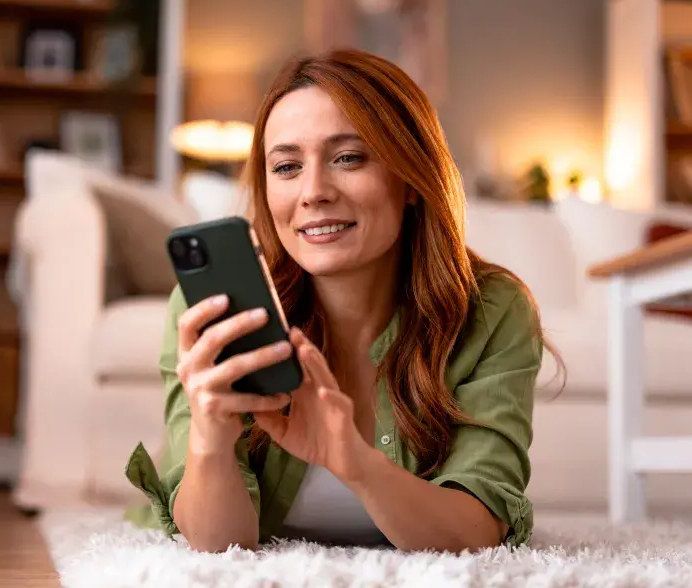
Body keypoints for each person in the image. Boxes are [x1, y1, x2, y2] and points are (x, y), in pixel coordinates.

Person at [124, 49, 564, 554]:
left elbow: (478, 534)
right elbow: (219, 550)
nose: (313, 192)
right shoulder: (213, 310)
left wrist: (355, 462)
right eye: (286, 166)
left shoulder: (493, 311)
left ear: (411, 179)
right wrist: (209, 440)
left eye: (348, 158)